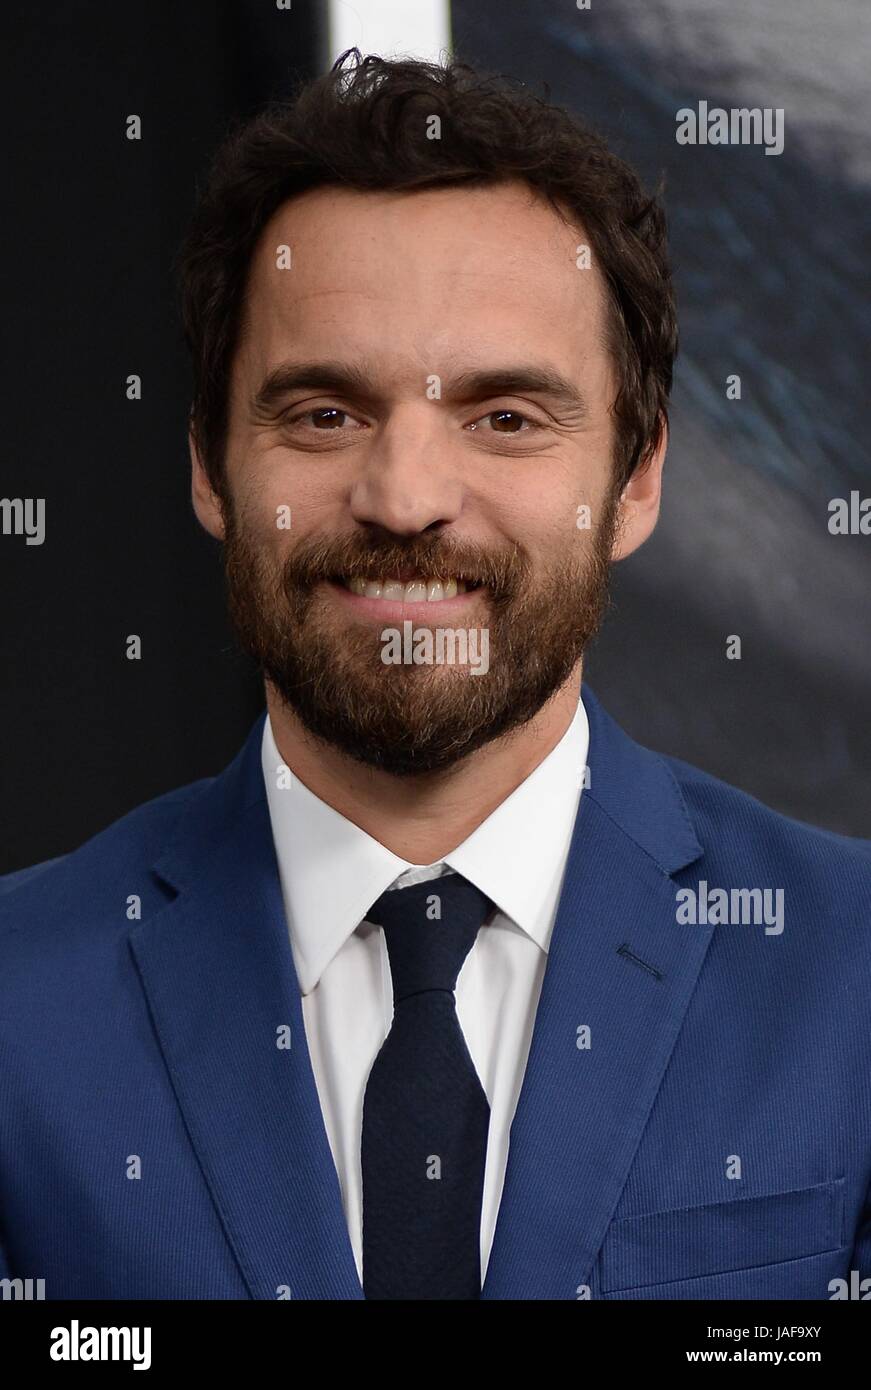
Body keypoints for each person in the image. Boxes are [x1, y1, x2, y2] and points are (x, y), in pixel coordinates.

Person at [1, 50, 869, 1302]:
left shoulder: (847, 974)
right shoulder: (20, 1003)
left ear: (634, 481)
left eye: (505, 416)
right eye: (322, 414)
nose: (405, 498)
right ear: (207, 466)